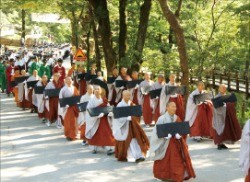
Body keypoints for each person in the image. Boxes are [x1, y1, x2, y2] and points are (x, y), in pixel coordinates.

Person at [150, 102, 196, 181]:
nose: (174, 108)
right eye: (172, 107)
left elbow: (181, 130)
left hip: (175, 142)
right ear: (167, 108)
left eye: (175, 107)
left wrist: (179, 136)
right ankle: (164, 176)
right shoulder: (162, 118)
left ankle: (177, 175)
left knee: (177, 160)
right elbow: (156, 132)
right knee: (164, 161)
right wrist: (164, 136)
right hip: (165, 143)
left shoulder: (176, 118)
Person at [112, 90, 150, 162]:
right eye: (127, 95)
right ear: (123, 96)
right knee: (129, 141)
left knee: (135, 139)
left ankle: (138, 156)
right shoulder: (120, 105)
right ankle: (125, 155)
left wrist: (133, 118)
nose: (129, 97)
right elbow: (117, 118)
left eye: (129, 95)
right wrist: (126, 118)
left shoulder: (132, 104)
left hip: (133, 126)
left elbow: (137, 114)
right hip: (124, 126)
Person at [85, 86, 115, 155]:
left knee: (107, 133)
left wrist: (110, 113)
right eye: (95, 89)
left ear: (101, 91)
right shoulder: (91, 101)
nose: (96, 91)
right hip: (95, 120)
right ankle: (94, 148)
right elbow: (89, 111)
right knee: (96, 134)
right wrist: (97, 116)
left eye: (98, 89)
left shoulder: (104, 100)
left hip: (104, 119)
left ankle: (110, 148)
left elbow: (109, 108)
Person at [212, 84, 242, 150]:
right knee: (219, 130)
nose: (224, 89)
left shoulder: (227, 97)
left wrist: (229, 105)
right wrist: (226, 106)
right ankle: (219, 144)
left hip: (226, 116)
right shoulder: (216, 98)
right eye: (222, 88)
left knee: (226, 131)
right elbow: (216, 108)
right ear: (219, 89)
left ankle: (222, 143)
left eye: (225, 88)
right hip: (219, 117)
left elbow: (231, 105)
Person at [59, 77, 79, 141]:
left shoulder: (74, 88)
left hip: (74, 107)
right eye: (68, 80)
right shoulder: (63, 89)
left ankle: (74, 134)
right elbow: (61, 100)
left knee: (74, 121)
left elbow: (77, 97)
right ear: (65, 81)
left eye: (70, 80)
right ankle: (69, 135)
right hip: (67, 108)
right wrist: (65, 105)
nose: (69, 81)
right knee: (69, 122)